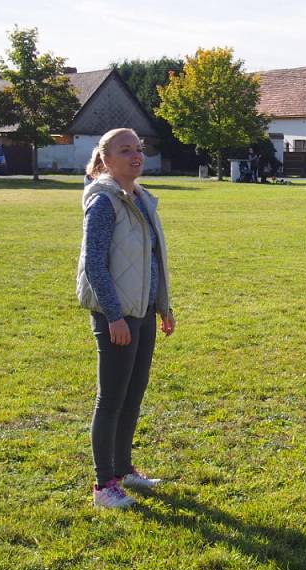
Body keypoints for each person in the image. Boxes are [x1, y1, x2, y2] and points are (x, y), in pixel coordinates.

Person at [76, 128, 176, 509]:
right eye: (125, 150)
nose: (136, 155)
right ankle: (104, 486)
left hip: (143, 312)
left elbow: (153, 259)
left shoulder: (140, 198)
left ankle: (124, 469)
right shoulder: (103, 202)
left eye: (139, 148)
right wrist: (114, 316)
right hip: (115, 316)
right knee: (111, 399)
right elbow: (95, 265)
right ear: (105, 159)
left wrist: (163, 306)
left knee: (133, 395)